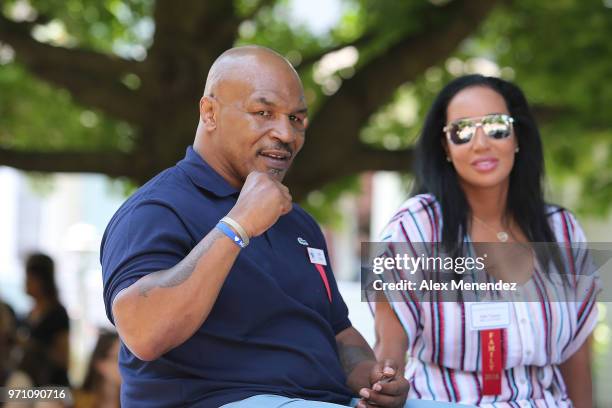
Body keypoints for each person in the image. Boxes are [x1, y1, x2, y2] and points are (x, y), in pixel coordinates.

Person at [100, 45, 409, 408]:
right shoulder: (157, 208)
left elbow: (338, 332)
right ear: (210, 112)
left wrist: (370, 377)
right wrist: (238, 225)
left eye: (296, 119)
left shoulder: (298, 222)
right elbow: (143, 332)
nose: (286, 134)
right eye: (264, 112)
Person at [371, 75, 599, 407]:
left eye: (496, 126)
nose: (481, 143)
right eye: (461, 132)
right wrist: (385, 379)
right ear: (445, 148)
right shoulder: (416, 227)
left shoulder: (562, 231)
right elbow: (390, 344)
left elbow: (577, 357)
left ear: (517, 136)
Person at [22, 253, 70, 387]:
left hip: (52, 386)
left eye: (30, 278)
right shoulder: (28, 314)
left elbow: (63, 359)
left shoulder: (57, 314)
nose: (25, 282)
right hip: (30, 384)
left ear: (43, 281)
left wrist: (34, 348)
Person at [73, 330, 121, 408]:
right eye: (119, 359)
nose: (128, 365)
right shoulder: (74, 401)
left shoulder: (138, 401)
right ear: (101, 364)